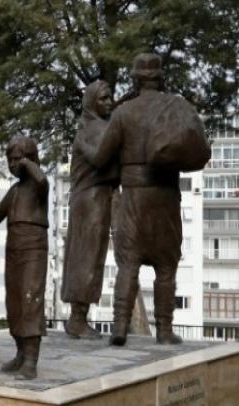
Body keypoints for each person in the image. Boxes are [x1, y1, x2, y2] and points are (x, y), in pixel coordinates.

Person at [78, 54, 183, 346]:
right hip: (166, 197)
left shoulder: (124, 113)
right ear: (160, 77)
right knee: (166, 267)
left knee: (128, 264)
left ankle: (120, 326)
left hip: (135, 198)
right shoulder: (174, 106)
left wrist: (84, 144)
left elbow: (100, 158)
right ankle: (164, 330)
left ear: (135, 80)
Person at [0, 136, 49, 380]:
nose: (13, 164)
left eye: (18, 158)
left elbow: (42, 179)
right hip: (13, 248)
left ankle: (31, 360)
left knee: (30, 299)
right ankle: (21, 354)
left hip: (34, 247)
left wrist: (28, 164)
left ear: (30, 158)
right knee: (14, 302)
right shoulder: (14, 191)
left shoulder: (39, 186)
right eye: (10, 159)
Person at [61, 80, 119, 339]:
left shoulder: (94, 127)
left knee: (90, 256)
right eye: (104, 98)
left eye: (111, 98)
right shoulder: (95, 128)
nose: (110, 103)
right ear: (92, 101)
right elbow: (101, 159)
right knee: (86, 256)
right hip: (90, 199)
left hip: (96, 198)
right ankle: (77, 318)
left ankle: (79, 316)